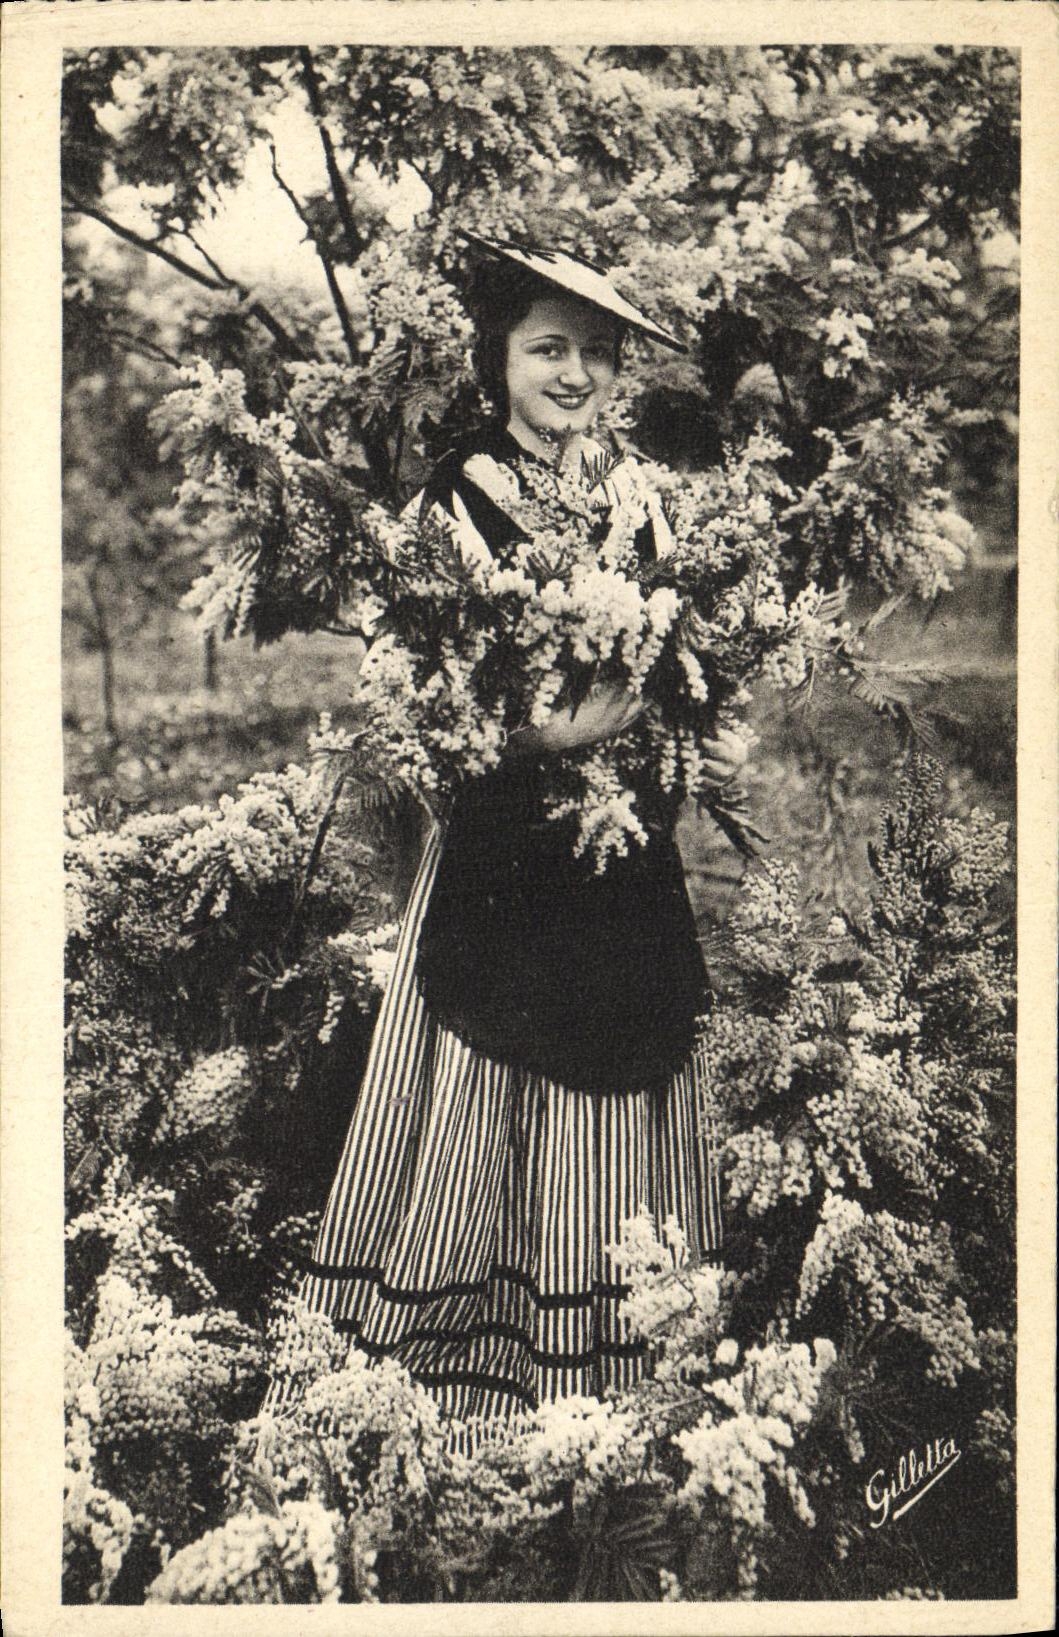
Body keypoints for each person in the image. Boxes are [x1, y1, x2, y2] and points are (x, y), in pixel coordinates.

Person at [278, 237, 745, 1445]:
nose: (577, 376)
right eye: (550, 349)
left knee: (622, 1043)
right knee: (495, 1060)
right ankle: (459, 1360)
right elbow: (413, 703)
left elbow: (684, 651)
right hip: (498, 851)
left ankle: (620, 1354)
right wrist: (531, 738)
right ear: (499, 360)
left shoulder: (640, 493)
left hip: (622, 849)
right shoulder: (450, 500)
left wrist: (692, 709)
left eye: (598, 353)